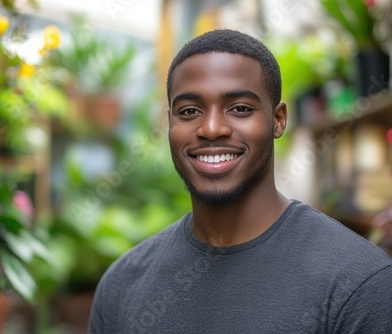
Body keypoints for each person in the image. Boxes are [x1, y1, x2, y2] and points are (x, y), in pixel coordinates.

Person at [88, 29, 392, 333]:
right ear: (171, 123)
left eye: (240, 109)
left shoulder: (361, 283)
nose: (211, 128)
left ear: (278, 120)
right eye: (190, 111)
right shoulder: (122, 286)